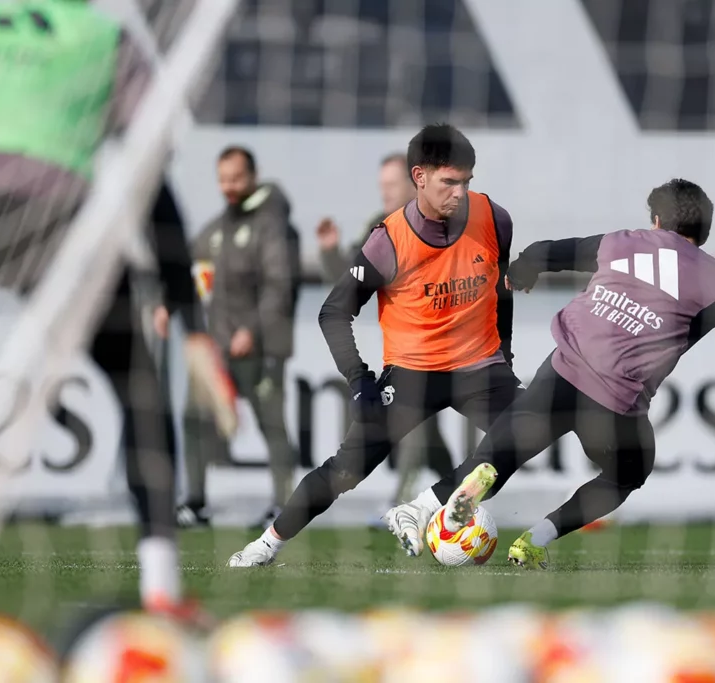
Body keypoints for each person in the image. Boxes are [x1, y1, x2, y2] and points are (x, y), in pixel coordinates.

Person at [394, 178, 715, 569]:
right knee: (629, 471)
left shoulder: (622, 241)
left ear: (655, 219)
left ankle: (425, 505)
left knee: (500, 455)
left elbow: (549, 252)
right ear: (703, 234)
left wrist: (525, 268)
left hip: (561, 372)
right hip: (616, 404)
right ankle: (538, 538)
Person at [0, 0, 234, 611]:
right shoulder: (104, 40)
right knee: (140, 388)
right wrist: (191, 324)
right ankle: (161, 591)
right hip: (48, 215)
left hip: (39, 209)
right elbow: (148, 176)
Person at [228, 123, 522, 566]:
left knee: (528, 429)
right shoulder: (388, 241)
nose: (460, 193)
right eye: (449, 182)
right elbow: (333, 311)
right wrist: (359, 379)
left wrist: (507, 355)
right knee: (345, 472)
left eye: (466, 182)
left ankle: (421, 508)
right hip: (412, 374)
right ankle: (265, 546)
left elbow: (503, 288)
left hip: (479, 366)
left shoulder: (495, 219)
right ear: (419, 177)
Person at [317, 153, 457, 511]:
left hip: (439, 341)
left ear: (414, 184)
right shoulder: (380, 225)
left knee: (414, 423)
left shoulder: (441, 221)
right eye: (382, 186)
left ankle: (403, 502)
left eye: (391, 185)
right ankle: (460, 494)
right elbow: (351, 280)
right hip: (405, 345)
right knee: (429, 433)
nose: (385, 193)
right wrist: (331, 252)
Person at [175, 146, 298, 530]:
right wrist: (167, 303)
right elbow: (188, 266)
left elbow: (279, 285)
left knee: (271, 425)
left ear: (253, 176)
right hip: (220, 348)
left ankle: (284, 506)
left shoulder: (271, 224)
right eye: (222, 179)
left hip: (260, 348)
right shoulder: (219, 228)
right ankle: (195, 503)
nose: (228, 186)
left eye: (235, 178)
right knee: (194, 419)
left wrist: (252, 330)